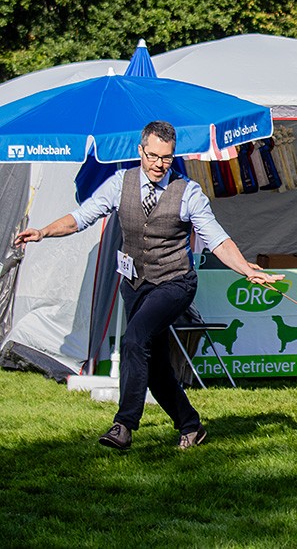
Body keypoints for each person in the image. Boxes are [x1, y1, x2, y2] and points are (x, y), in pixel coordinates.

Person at [14, 121, 283, 450]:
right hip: (135, 285)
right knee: (153, 365)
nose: (159, 164)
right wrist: (43, 232)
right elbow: (80, 217)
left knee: (135, 339)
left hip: (175, 283)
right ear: (141, 151)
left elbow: (217, 239)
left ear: (174, 156)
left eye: (166, 158)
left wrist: (245, 269)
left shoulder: (189, 193)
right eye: (153, 155)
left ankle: (124, 425)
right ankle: (191, 425)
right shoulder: (119, 184)